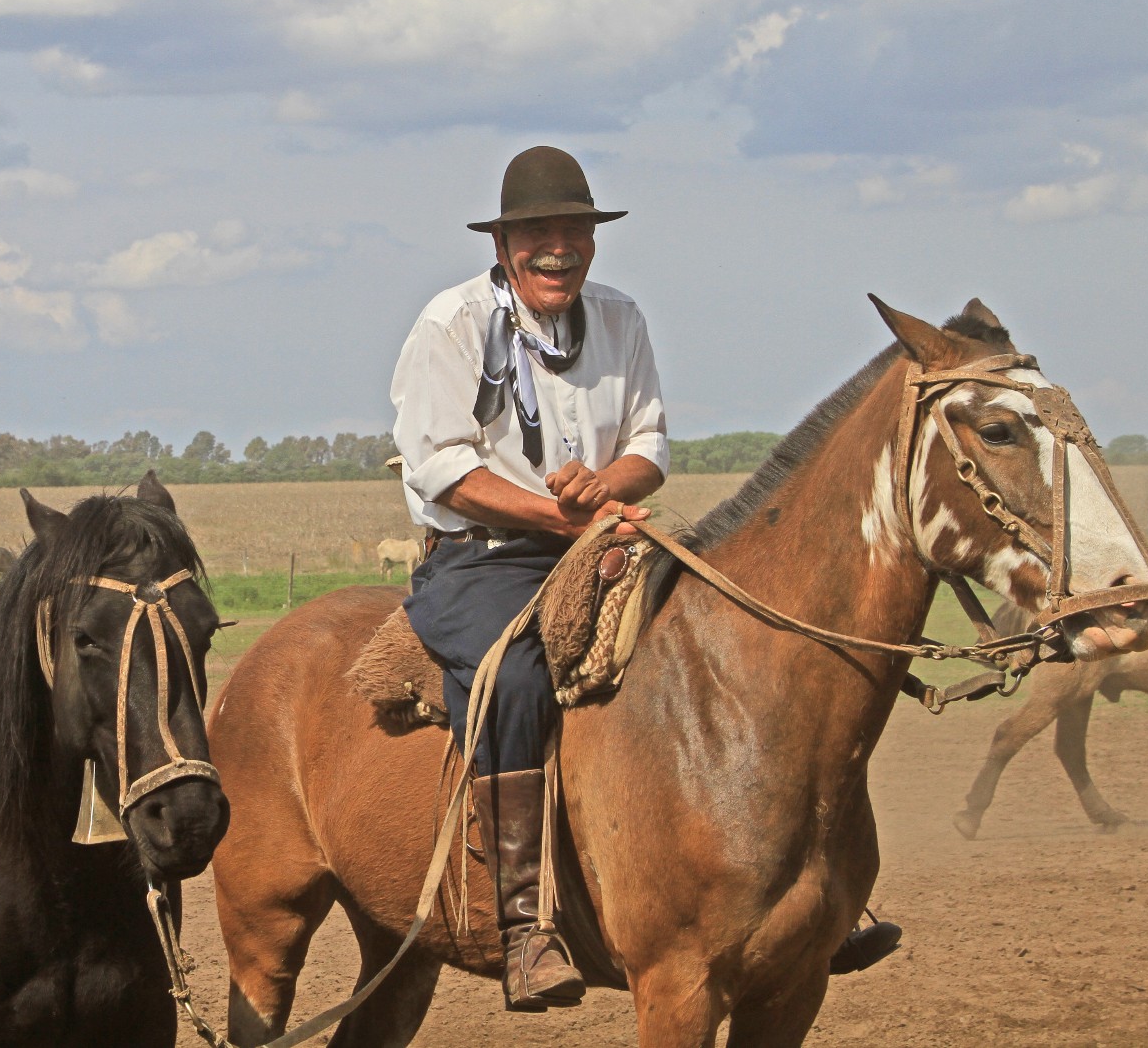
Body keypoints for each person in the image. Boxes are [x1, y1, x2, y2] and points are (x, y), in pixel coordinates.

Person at [388, 148, 908, 1007]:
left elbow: (649, 445)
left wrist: (604, 489)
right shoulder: (453, 322)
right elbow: (440, 469)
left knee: (731, 642)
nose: (559, 249)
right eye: (541, 233)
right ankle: (527, 924)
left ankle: (808, 890)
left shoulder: (620, 318)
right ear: (507, 241)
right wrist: (557, 513)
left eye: (575, 232)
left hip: (602, 538)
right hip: (481, 560)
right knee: (517, 677)